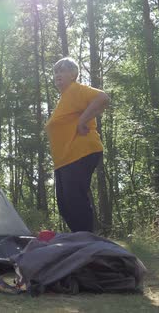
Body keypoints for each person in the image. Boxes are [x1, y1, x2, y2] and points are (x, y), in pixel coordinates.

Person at [45, 57, 110, 232]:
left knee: (75, 201)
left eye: (63, 70)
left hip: (79, 152)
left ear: (73, 74)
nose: (58, 74)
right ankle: (81, 240)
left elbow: (102, 98)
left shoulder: (75, 90)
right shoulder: (66, 97)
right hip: (64, 159)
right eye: (56, 71)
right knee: (65, 206)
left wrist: (83, 120)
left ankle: (87, 243)